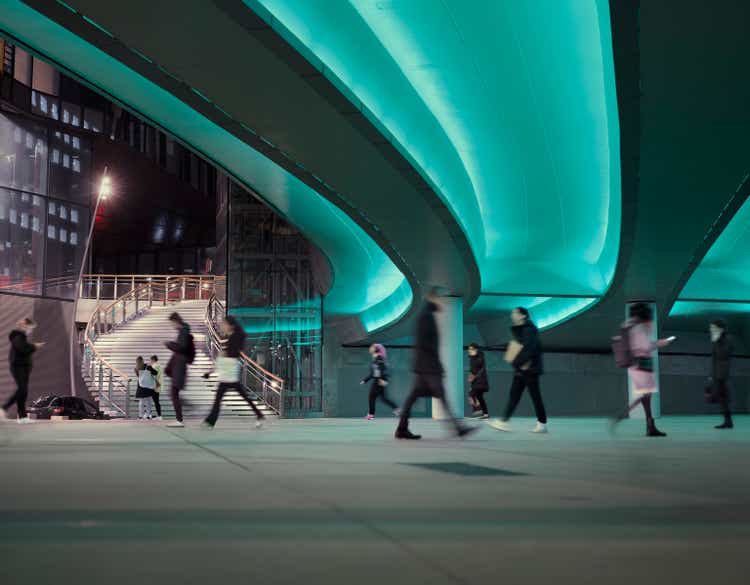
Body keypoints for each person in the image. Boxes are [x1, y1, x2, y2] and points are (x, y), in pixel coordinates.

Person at [395, 288, 478, 440]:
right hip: (428, 366)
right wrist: (436, 365)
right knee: (441, 396)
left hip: (423, 365)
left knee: (413, 398)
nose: (440, 300)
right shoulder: (426, 317)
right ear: (431, 297)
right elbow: (427, 344)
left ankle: (402, 429)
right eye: (437, 297)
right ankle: (458, 428)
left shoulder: (426, 314)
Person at [610, 302, 673, 437]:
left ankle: (650, 426)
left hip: (634, 365)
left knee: (646, 396)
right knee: (645, 395)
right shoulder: (638, 327)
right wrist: (661, 343)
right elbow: (645, 346)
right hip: (642, 363)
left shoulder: (628, 325)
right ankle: (622, 416)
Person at [488, 307, 548, 433]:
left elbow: (529, 349)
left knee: (534, 396)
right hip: (522, 368)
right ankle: (504, 421)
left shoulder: (529, 330)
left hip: (529, 368)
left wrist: (516, 362)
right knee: (515, 395)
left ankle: (541, 423)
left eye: (515, 313)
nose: (512, 315)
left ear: (523, 315)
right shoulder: (522, 330)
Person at [202, 316, 266, 429]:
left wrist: (211, 371)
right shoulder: (232, 337)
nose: (222, 326)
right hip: (229, 371)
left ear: (231, 325)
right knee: (241, 396)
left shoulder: (234, 338)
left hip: (228, 372)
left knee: (219, 398)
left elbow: (227, 355)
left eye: (224, 324)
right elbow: (226, 355)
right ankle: (259, 414)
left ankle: (211, 421)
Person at [1, 318, 44, 424]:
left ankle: (22, 416)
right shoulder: (18, 336)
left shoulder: (20, 336)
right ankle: (4, 408)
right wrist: (34, 346)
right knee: (22, 390)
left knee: (23, 392)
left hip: (22, 367)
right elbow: (22, 349)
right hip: (18, 367)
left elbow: (23, 349)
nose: (30, 330)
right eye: (30, 327)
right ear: (24, 325)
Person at [164, 312, 192, 428]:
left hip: (180, 366)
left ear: (176, 321)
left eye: (172, 323)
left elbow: (182, 347)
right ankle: (180, 417)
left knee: (174, 392)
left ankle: (179, 419)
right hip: (178, 366)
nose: (172, 325)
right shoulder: (184, 331)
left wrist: (170, 344)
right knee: (174, 392)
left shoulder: (183, 331)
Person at [361, 343, 399, 420]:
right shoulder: (377, 358)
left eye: (372, 347)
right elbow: (373, 372)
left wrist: (380, 379)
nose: (370, 348)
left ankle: (371, 415)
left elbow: (379, 370)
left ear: (375, 350)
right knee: (383, 398)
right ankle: (397, 409)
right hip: (379, 379)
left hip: (378, 380)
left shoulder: (378, 358)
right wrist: (365, 380)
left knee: (372, 397)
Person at [708, 319, 733, 429]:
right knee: (722, 398)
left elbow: (724, 354)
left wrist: (717, 341)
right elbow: (713, 358)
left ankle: (728, 421)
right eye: (711, 328)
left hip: (723, 373)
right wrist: (711, 375)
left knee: (723, 397)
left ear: (720, 329)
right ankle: (727, 421)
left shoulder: (727, 339)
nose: (711, 330)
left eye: (713, 328)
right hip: (716, 373)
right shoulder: (715, 340)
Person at [467, 343, 489, 419]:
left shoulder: (480, 357)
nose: (469, 350)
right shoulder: (471, 358)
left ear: (476, 349)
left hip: (481, 381)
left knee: (471, 394)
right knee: (479, 397)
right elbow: (472, 370)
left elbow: (481, 369)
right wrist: (470, 378)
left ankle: (477, 411)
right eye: (469, 349)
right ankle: (485, 414)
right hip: (475, 381)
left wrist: (474, 376)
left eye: (471, 349)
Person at [150, 355, 163, 421]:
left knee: (155, 401)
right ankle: (159, 415)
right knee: (156, 401)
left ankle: (159, 416)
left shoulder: (154, 366)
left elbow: (153, 375)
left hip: (154, 386)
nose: (150, 361)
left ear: (153, 360)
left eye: (151, 360)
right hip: (158, 385)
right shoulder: (160, 366)